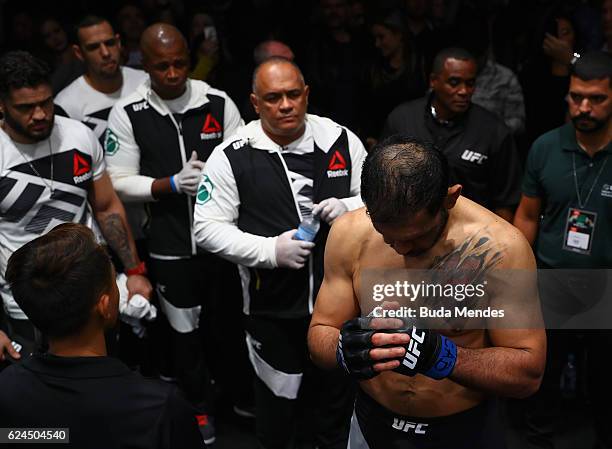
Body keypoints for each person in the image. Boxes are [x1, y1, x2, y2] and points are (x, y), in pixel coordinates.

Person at [308, 134, 546, 449]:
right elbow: (319, 334)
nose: (402, 248)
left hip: (463, 430)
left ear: (450, 199)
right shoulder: (349, 234)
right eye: (387, 235)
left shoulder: (502, 249)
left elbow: (528, 373)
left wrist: (442, 356)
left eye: (417, 236)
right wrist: (344, 348)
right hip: (372, 422)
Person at [194, 57, 367, 449]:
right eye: (274, 98)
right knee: (278, 409)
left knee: (336, 405)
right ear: (255, 103)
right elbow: (206, 228)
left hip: (340, 300)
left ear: (306, 94)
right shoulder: (232, 154)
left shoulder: (340, 139)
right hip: (271, 307)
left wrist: (350, 206)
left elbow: (378, 200)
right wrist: (270, 250)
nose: (285, 105)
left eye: (293, 95)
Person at [104, 23, 242, 444]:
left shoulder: (216, 102)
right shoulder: (128, 112)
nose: (173, 72)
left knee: (228, 326)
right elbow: (117, 179)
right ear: (144, 65)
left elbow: (246, 158)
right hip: (169, 242)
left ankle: (236, 399)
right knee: (184, 333)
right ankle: (199, 409)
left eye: (180, 62)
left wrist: (221, 179)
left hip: (224, 241)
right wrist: (168, 183)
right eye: (162, 65)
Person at [0, 51, 151, 363]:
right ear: (2, 106)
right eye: (26, 108)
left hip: (91, 292)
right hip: (28, 304)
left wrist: (134, 270)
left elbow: (107, 207)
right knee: (44, 403)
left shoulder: (77, 135)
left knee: (106, 386)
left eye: (45, 102)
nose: (40, 114)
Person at [0, 223, 203, 449]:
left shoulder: (7, 390)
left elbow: (25, 436)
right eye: (114, 280)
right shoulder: (158, 408)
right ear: (105, 306)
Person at [513, 50, 612, 449]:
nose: (583, 107)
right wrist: (518, 282)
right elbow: (528, 217)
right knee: (543, 378)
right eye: (575, 96)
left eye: (597, 98)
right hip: (552, 282)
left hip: (607, 285)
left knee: (605, 384)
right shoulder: (545, 147)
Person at [382, 47, 522, 222]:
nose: (464, 91)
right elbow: (383, 183)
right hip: (409, 228)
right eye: (454, 82)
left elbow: (506, 203)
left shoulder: (494, 132)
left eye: (470, 83)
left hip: (471, 234)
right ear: (433, 81)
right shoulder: (402, 120)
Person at [55, 15, 147, 141]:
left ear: (118, 43)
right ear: (79, 53)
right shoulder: (67, 105)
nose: (105, 53)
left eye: (110, 43)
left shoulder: (145, 82)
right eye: (93, 47)